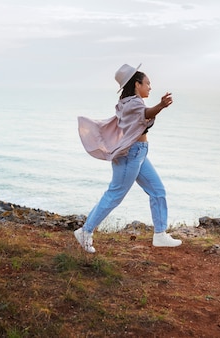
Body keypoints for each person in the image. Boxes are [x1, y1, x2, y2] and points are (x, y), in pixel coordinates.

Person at [75, 63, 182, 253]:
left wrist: (158, 106)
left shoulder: (127, 103)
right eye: (147, 83)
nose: (150, 87)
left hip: (139, 153)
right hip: (131, 155)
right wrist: (161, 105)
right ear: (136, 84)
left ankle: (160, 235)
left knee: (157, 190)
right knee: (114, 195)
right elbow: (145, 114)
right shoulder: (134, 103)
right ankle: (85, 231)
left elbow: (141, 118)